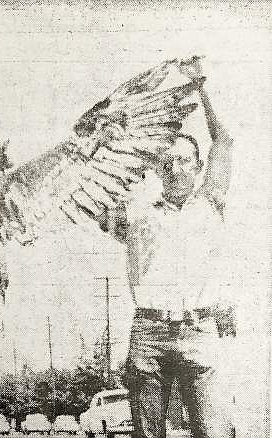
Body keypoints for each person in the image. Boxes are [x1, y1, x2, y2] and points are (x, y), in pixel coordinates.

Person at [109, 56, 235, 438]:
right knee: (148, 434)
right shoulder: (137, 215)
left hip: (199, 332)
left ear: (198, 168)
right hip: (149, 334)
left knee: (212, 430)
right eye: (167, 162)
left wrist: (201, 87)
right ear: (156, 169)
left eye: (184, 161)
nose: (176, 168)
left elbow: (224, 141)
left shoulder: (210, 203)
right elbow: (99, 195)